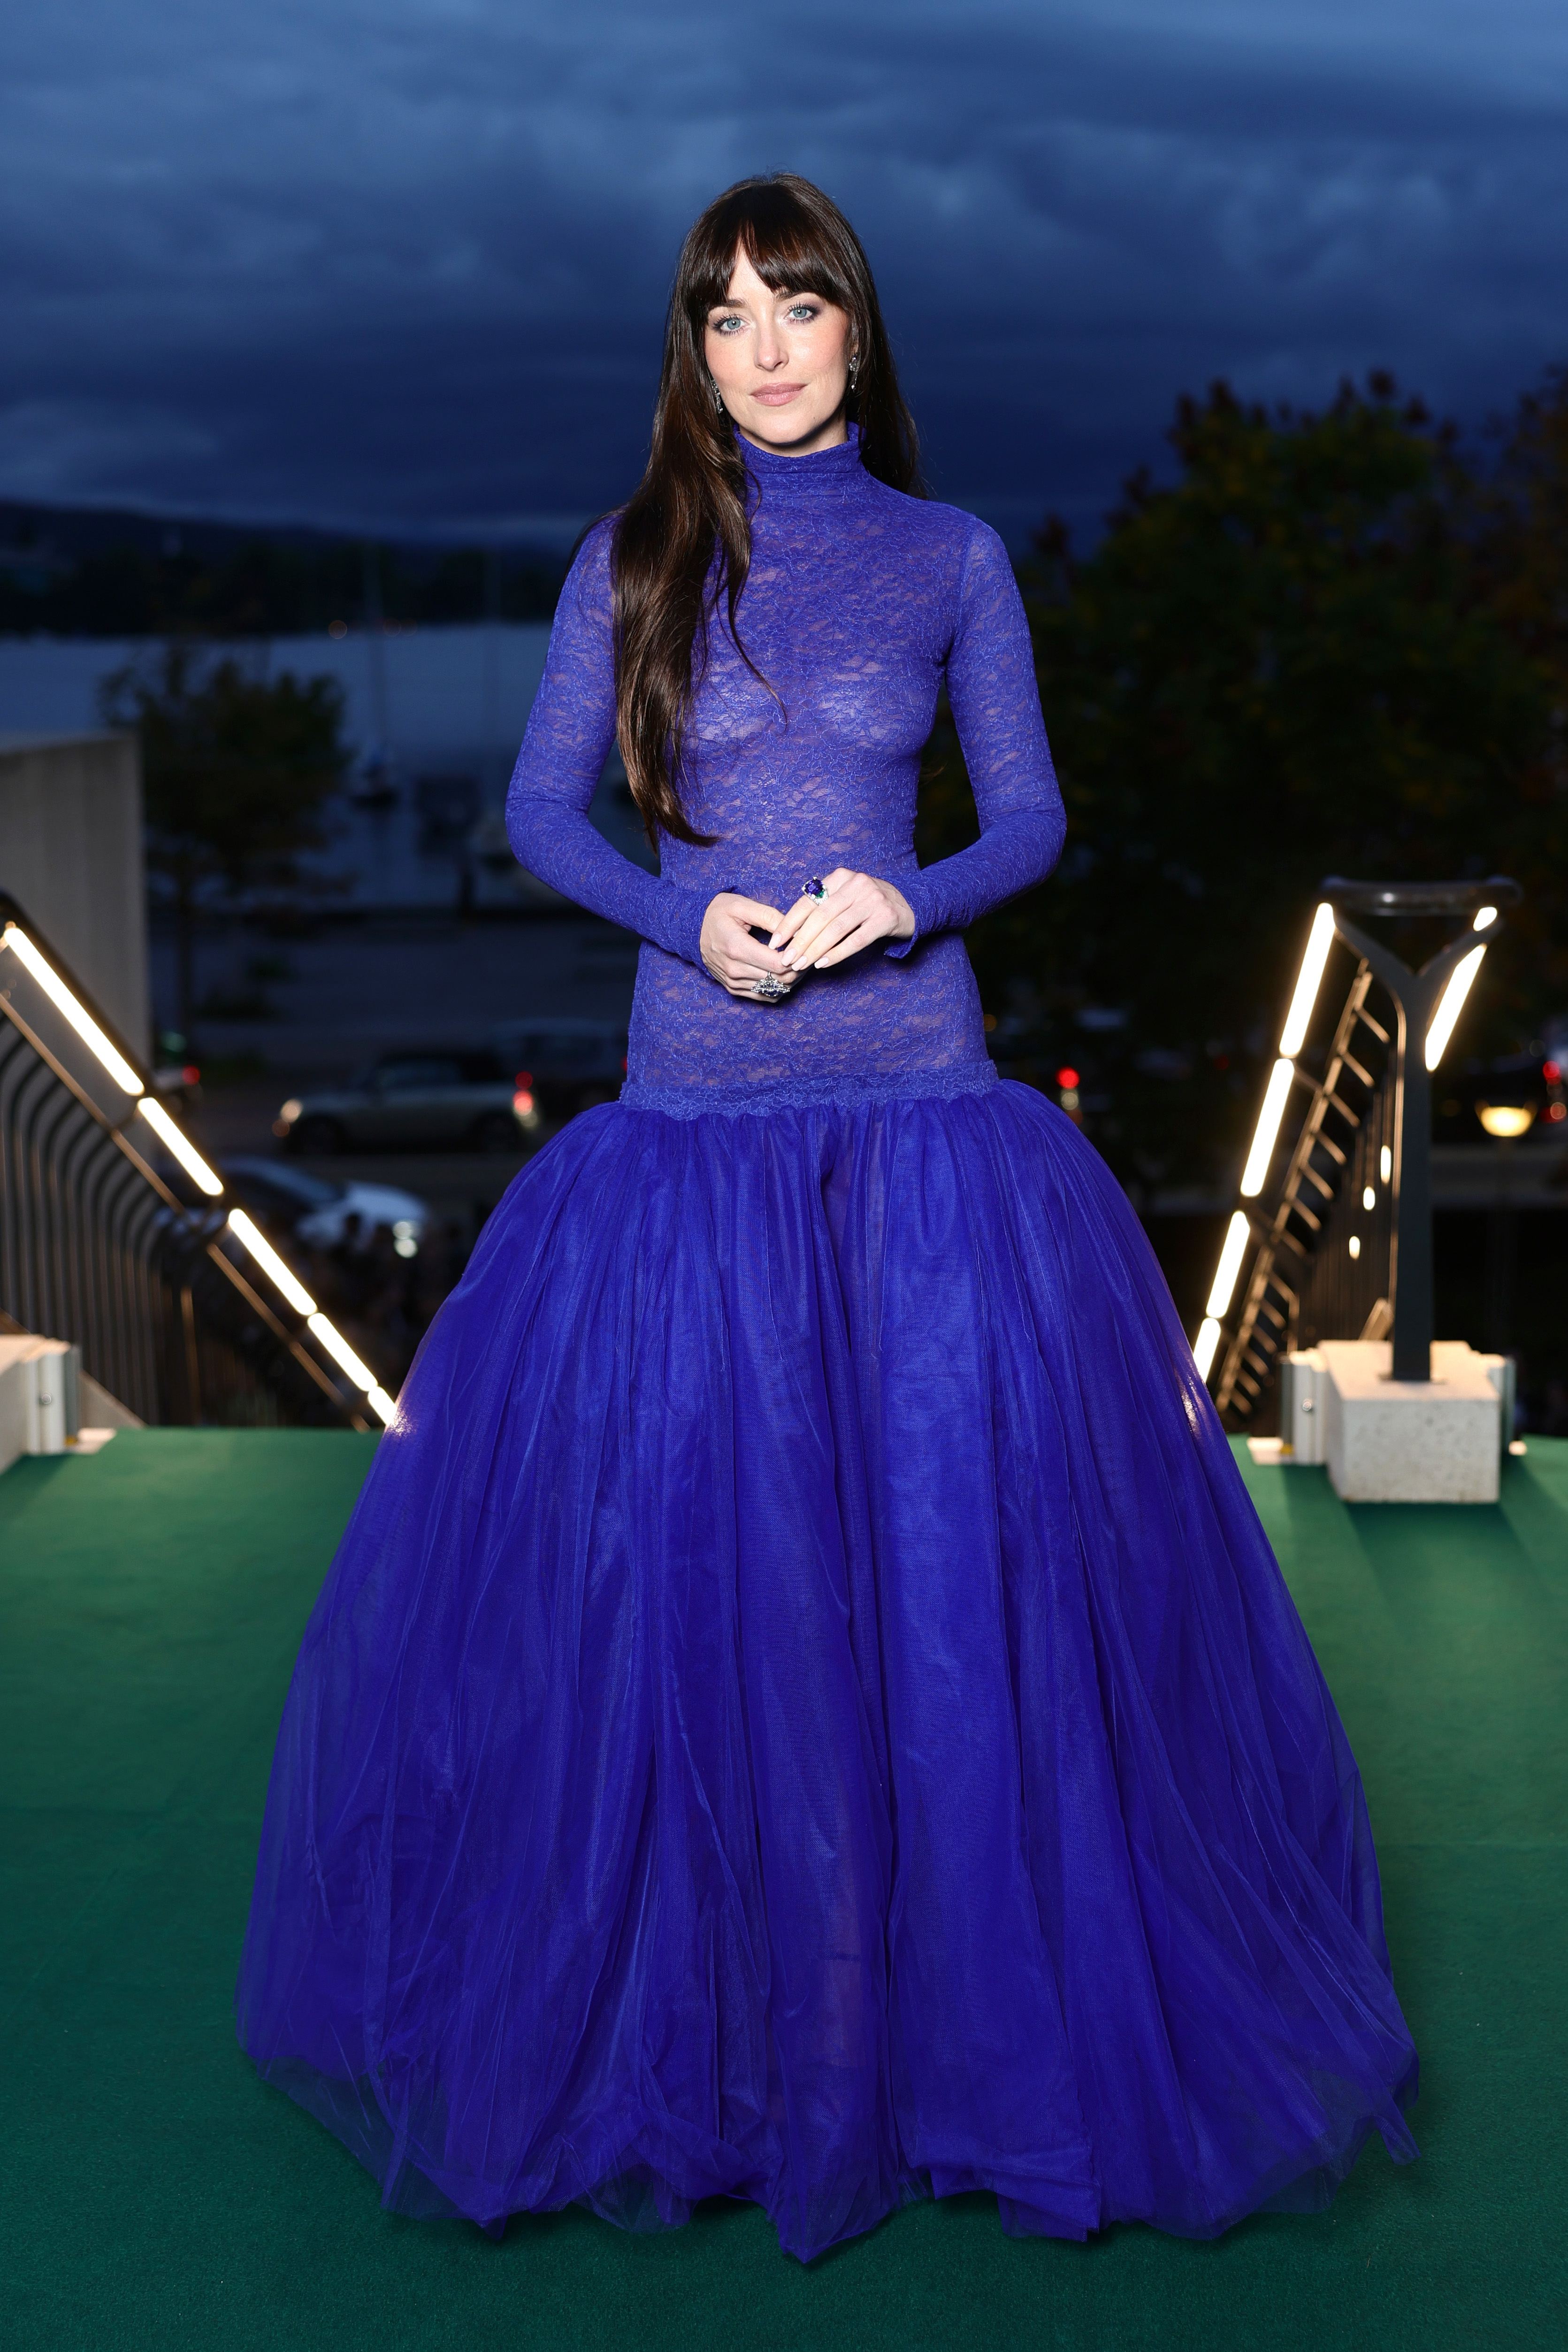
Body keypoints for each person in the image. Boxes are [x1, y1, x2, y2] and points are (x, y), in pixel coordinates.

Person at [237, 174, 1418, 2262]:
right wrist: (689, 908)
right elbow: (537, 813)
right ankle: (730, 2065)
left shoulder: (949, 558)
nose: (762, 344)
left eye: (798, 305)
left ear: (860, 334)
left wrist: (912, 892)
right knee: (702, 1613)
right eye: (722, 315)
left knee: (949, 1616)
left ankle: (966, 2055)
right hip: (685, 1140)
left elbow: (1031, 816)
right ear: (689, 350)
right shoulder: (627, 559)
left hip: (925, 1133)